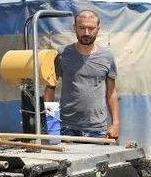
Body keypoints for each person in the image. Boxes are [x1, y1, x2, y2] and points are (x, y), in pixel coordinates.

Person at [44, 9, 119, 138]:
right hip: (66, 128)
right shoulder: (62, 54)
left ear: (98, 29)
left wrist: (116, 123)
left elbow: (111, 92)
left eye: (91, 28)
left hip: (97, 129)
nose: (86, 33)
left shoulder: (107, 56)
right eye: (82, 28)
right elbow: (50, 88)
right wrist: (52, 124)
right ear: (74, 28)